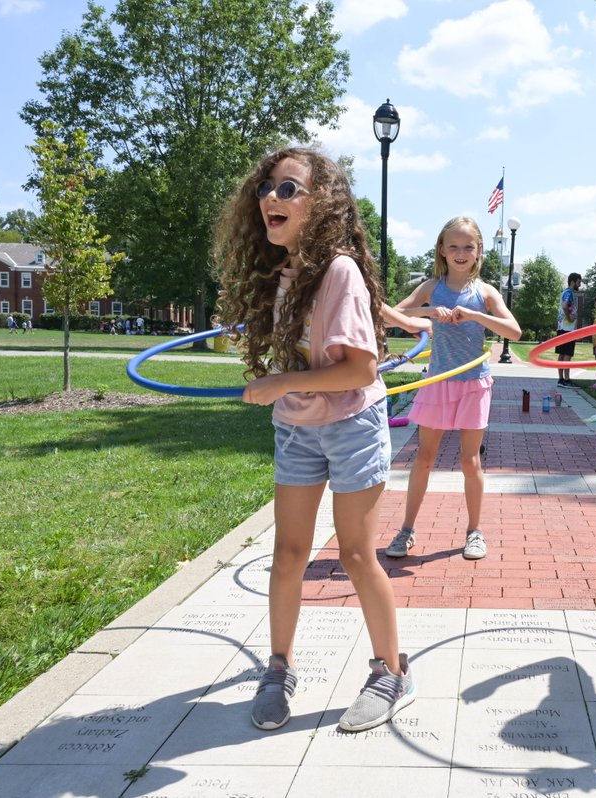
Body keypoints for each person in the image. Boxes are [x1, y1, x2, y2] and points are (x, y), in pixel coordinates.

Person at [212, 147, 417, 734]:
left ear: (321, 204)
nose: (270, 199)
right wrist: (284, 387)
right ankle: (278, 667)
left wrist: (281, 382)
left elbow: (358, 370)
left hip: (351, 425)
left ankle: (391, 671)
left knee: (354, 555)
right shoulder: (288, 274)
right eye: (267, 188)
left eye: (288, 189)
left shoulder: (340, 271)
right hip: (298, 428)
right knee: (288, 555)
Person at [387, 216, 521, 562]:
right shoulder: (433, 286)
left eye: (468, 247)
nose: (461, 253)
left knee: (470, 459)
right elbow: (391, 314)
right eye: (454, 247)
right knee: (425, 457)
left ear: (478, 252)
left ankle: (475, 531)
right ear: (442, 251)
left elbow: (514, 332)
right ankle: (406, 530)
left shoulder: (485, 291)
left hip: (474, 383)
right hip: (439, 382)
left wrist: (476, 316)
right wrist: (431, 311)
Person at [555, 272, 582, 388]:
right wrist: (570, 317)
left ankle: (561, 379)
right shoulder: (569, 293)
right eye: (578, 282)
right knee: (567, 354)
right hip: (567, 329)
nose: (579, 285)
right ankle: (566, 380)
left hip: (562, 327)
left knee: (562, 354)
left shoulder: (564, 292)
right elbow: (565, 306)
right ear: (573, 281)